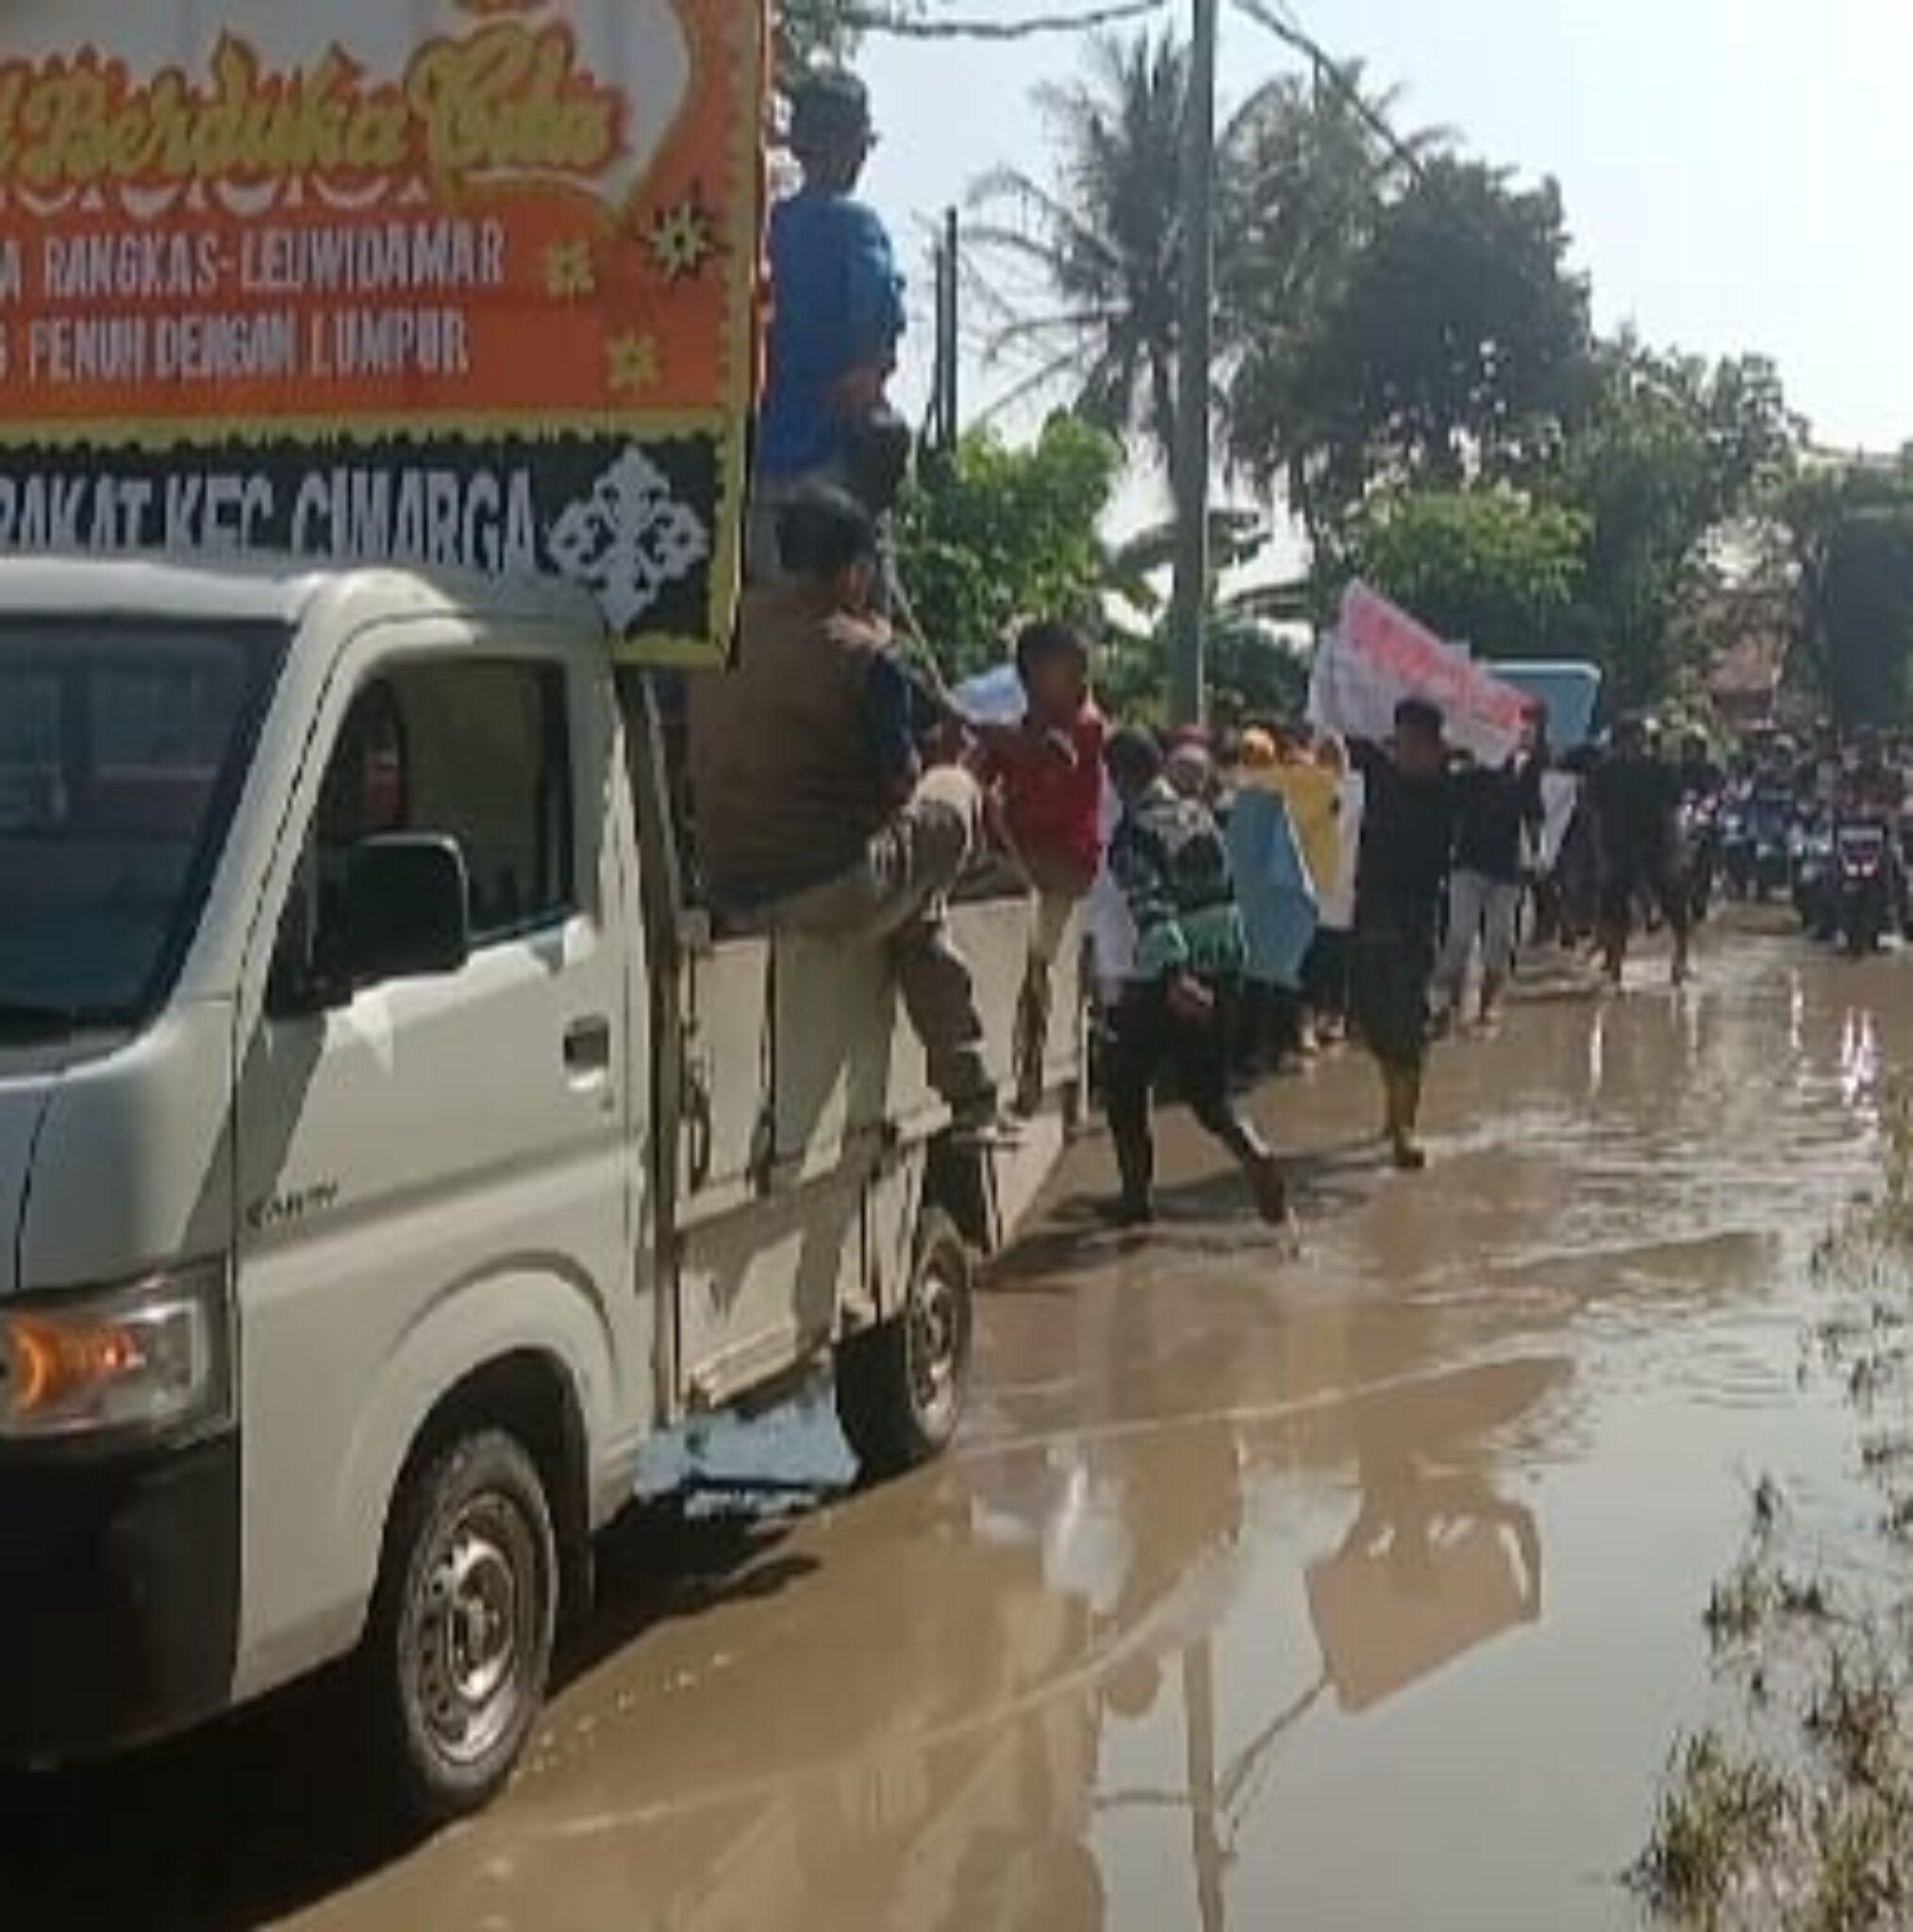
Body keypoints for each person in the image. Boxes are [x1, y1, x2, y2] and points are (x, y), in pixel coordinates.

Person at [689, 484, 996, 1126]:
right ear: (856, 571)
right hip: (832, 888)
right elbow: (900, 787)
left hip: (729, 886)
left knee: (918, 909)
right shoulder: (864, 656)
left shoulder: (717, 637)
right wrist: (949, 760)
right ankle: (968, 1084)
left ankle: (970, 1088)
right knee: (953, 793)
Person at [1102, 727, 1289, 1230]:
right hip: (1225, 966)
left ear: (1118, 779)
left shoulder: (1133, 834)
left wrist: (1174, 976)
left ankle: (1135, 1199)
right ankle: (1255, 1152)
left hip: (1173, 979)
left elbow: (1152, 908)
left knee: (1123, 1082)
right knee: (1210, 1096)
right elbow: (1228, 898)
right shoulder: (1198, 815)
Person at [751, 72, 907, 582]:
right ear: (848, 148)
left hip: (757, 472)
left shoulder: (763, 230)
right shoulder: (856, 228)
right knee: (848, 635)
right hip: (831, 476)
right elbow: (875, 334)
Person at [969, 621, 1106, 1111]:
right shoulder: (1022, 730)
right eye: (1066, 670)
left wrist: (985, 735)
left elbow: (1054, 758)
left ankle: (1029, 1074)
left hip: (1063, 865)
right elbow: (976, 773)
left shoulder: (1087, 727)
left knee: (1036, 967)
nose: (1081, 678)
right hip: (1023, 864)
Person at [1349, 700, 1455, 1173]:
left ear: (1437, 748)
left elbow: (1510, 785)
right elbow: (1339, 735)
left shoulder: (1452, 790)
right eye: (1402, 742)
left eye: (1418, 745)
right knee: (1373, 1022)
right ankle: (1391, 1112)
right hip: (1370, 914)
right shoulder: (1376, 776)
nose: (1408, 753)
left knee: (1408, 1022)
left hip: (1417, 919)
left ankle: (1405, 1128)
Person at [1435, 716, 1545, 1029]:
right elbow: (1443, 799)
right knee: (1459, 935)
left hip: (1506, 869)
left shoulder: (1522, 773)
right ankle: (1450, 1003)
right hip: (1467, 865)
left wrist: (1536, 854)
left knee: (1500, 938)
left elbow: (1533, 815)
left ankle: (1488, 1004)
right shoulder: (1468, 775)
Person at [1589, 713, 1688, 988]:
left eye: (1639, 739)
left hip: (1655, 844)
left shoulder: (1659, 769)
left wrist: (1675, 849)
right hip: (1617, 846)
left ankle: (1681, 955)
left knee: (1673, 900)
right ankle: (1615, 966)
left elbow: (1672, 812)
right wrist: (1599, 855)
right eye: (1630, 739)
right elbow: (1595, 816)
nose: (1636, 745)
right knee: (1613, 907)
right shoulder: (1604, 772)